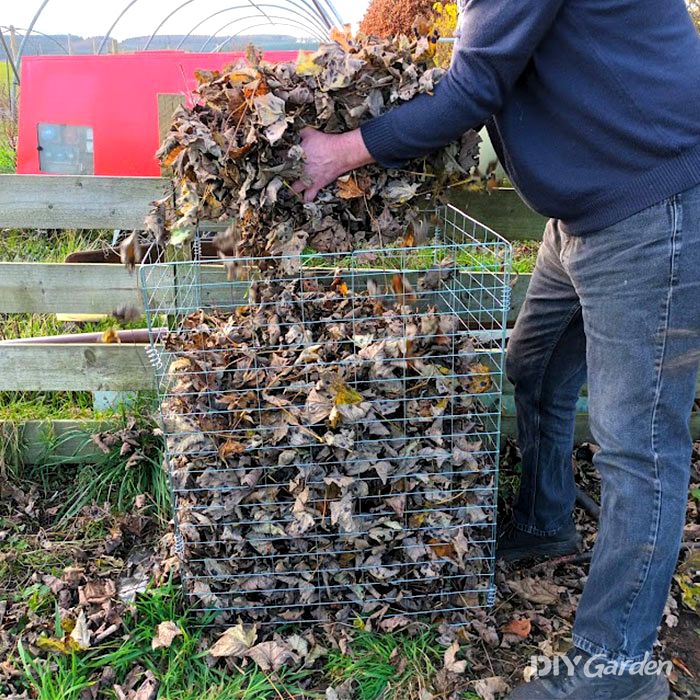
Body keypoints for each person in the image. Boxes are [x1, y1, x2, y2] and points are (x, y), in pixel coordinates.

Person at [292, 1, 700, 698]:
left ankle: (616, 669)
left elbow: (474, 88)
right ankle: (545, 523)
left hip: (649, 209)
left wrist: (342, 149)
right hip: (586, 212)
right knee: (535, 368)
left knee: (639, 447)